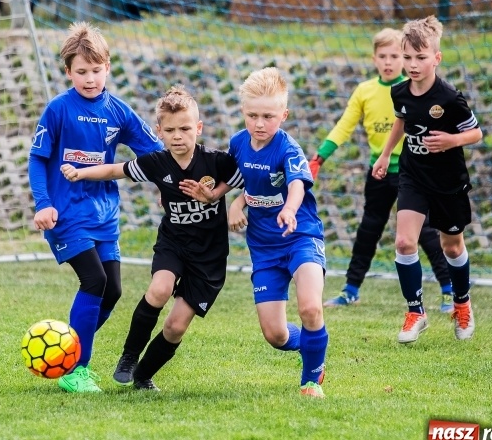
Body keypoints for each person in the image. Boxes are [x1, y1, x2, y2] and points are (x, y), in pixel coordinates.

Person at [61, 86, 243, 391]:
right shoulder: (157, 162)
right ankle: (128, 357)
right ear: (159, 132)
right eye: (169, 130)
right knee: (159, 289)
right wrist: (81, 173)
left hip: (209, 256)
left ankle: (143, 375)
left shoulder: (217, 161)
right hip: (174, 244)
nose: (177, 136)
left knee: (175, 327)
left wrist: (221, 198)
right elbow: (116, 170)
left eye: (185, 129)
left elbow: (249, 179)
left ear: (198, 128)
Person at [28, 22, 163, 393]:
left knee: (113, 290)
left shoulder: (118, 112)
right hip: (66, 214)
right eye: (81, 71)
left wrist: (169, 180)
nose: (89, 79)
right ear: (68, 72)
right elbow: (37, 158)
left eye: (96, 70)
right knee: (95, 280)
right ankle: (76, 370)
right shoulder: (58, 109)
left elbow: (155, 154)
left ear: (108, 68)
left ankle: (63, 350)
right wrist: (43, 204)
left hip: (104, 215)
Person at [309, 28, 454, 312]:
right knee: (369, 229)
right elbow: (344, 126)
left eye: (395, 56)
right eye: (383, 56)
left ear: (404, 58)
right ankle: (350, 290)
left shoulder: (414, 89)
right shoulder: (364, 91)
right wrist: (320, 157)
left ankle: (449, 289)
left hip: (413, 173)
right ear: (374, 58)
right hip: (378, 171)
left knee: (425, 231)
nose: (389, 62)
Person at [371, 16, 482, 344]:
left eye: (420, 58)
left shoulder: (449, 97)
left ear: (436, 58)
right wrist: (385, 155)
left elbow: (476, 133)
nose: (412, 65)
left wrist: (451, 141)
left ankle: (462, 303)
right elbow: (401, 121)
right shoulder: (399, 92)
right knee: (404, 243)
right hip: (413, 176)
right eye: (407, 57)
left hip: (448, 182)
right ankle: (415, 312)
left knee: (452, 246)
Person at [227, 67, 329, 398]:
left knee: (310, 308)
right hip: (264, 247)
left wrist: (289, 209)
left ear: (283, 115)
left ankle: (311, 380)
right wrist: (234, 203)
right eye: (252, 115)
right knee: (276, 335)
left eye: (268, 116)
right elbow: (241, 182)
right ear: (243, 111)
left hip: (300, 237)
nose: (259, 123)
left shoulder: (288, 148)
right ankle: (312, 344)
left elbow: (296, 184)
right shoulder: (238, 144)